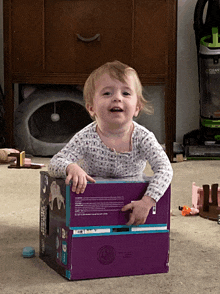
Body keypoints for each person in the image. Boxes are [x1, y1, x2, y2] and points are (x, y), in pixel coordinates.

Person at [48, 60, 173, 225]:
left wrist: (148, 201)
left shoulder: (143, 137)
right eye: (107, 93)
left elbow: (165, 169)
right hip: (93, 204)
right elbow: (54, 163)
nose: (117, 98)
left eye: (126, 93)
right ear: (91, 107)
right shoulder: (85, 137)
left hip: (133, 201)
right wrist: (71, 167)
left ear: (137, 107)